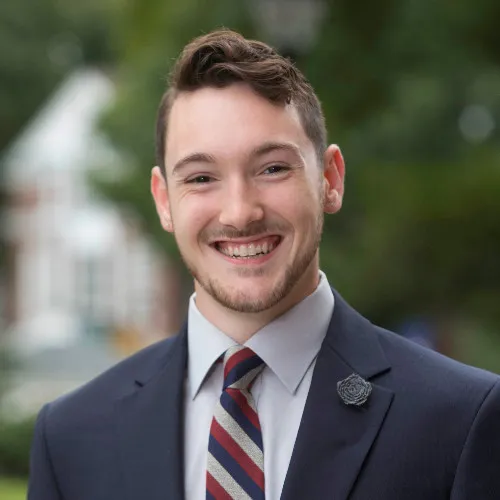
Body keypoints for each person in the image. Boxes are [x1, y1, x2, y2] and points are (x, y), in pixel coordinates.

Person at [28, 29, 500, 500]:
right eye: (201, 177)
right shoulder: (71, 438)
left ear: (330, 179)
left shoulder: (459, 421)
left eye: (272, 168)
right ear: (164, 200)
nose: (239, 212)